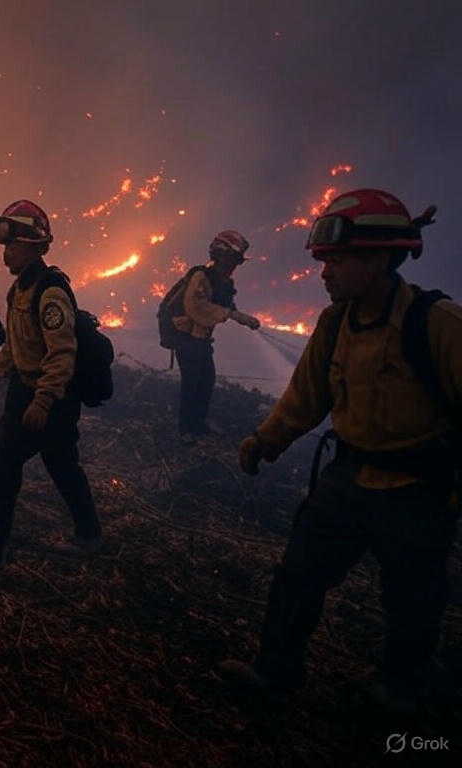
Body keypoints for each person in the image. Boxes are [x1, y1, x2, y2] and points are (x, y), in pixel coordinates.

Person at [221, 188, 461, 712]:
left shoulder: (437, 324)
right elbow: (306, 396)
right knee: (298, 576)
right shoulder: (335, 324)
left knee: (413, 600)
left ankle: (402, 689)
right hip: (348, 480)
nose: (325, 273)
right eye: (324, 262)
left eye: (339, 261)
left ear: (379, 260)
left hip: (418, 491)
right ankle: (275, 670)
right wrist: (266, 440)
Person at [0, 199, 102, 574]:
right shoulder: (19, 290)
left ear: (36, 247)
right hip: (22, 394)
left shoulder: (50, 293)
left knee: (25, 469)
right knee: (41, 467)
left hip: (51, 400)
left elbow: (62, 355)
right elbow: (13, 345)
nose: (6, 254)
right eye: (6, 246)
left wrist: (42, 401)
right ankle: (85, 535)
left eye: (14, 246)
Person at [164, 230, 260, 442]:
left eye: (238, 260)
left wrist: (239, 316)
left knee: (206, 380)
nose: (235, 264)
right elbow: (195, 307)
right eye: (232, 259)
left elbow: (223, 304)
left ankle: (198, 423)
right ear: (219, 256)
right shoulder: (201, 277)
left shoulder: (223, 282)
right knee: (191, 383)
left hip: (202, 339)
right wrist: (232, 314)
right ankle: (186, 430)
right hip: (186, 338)